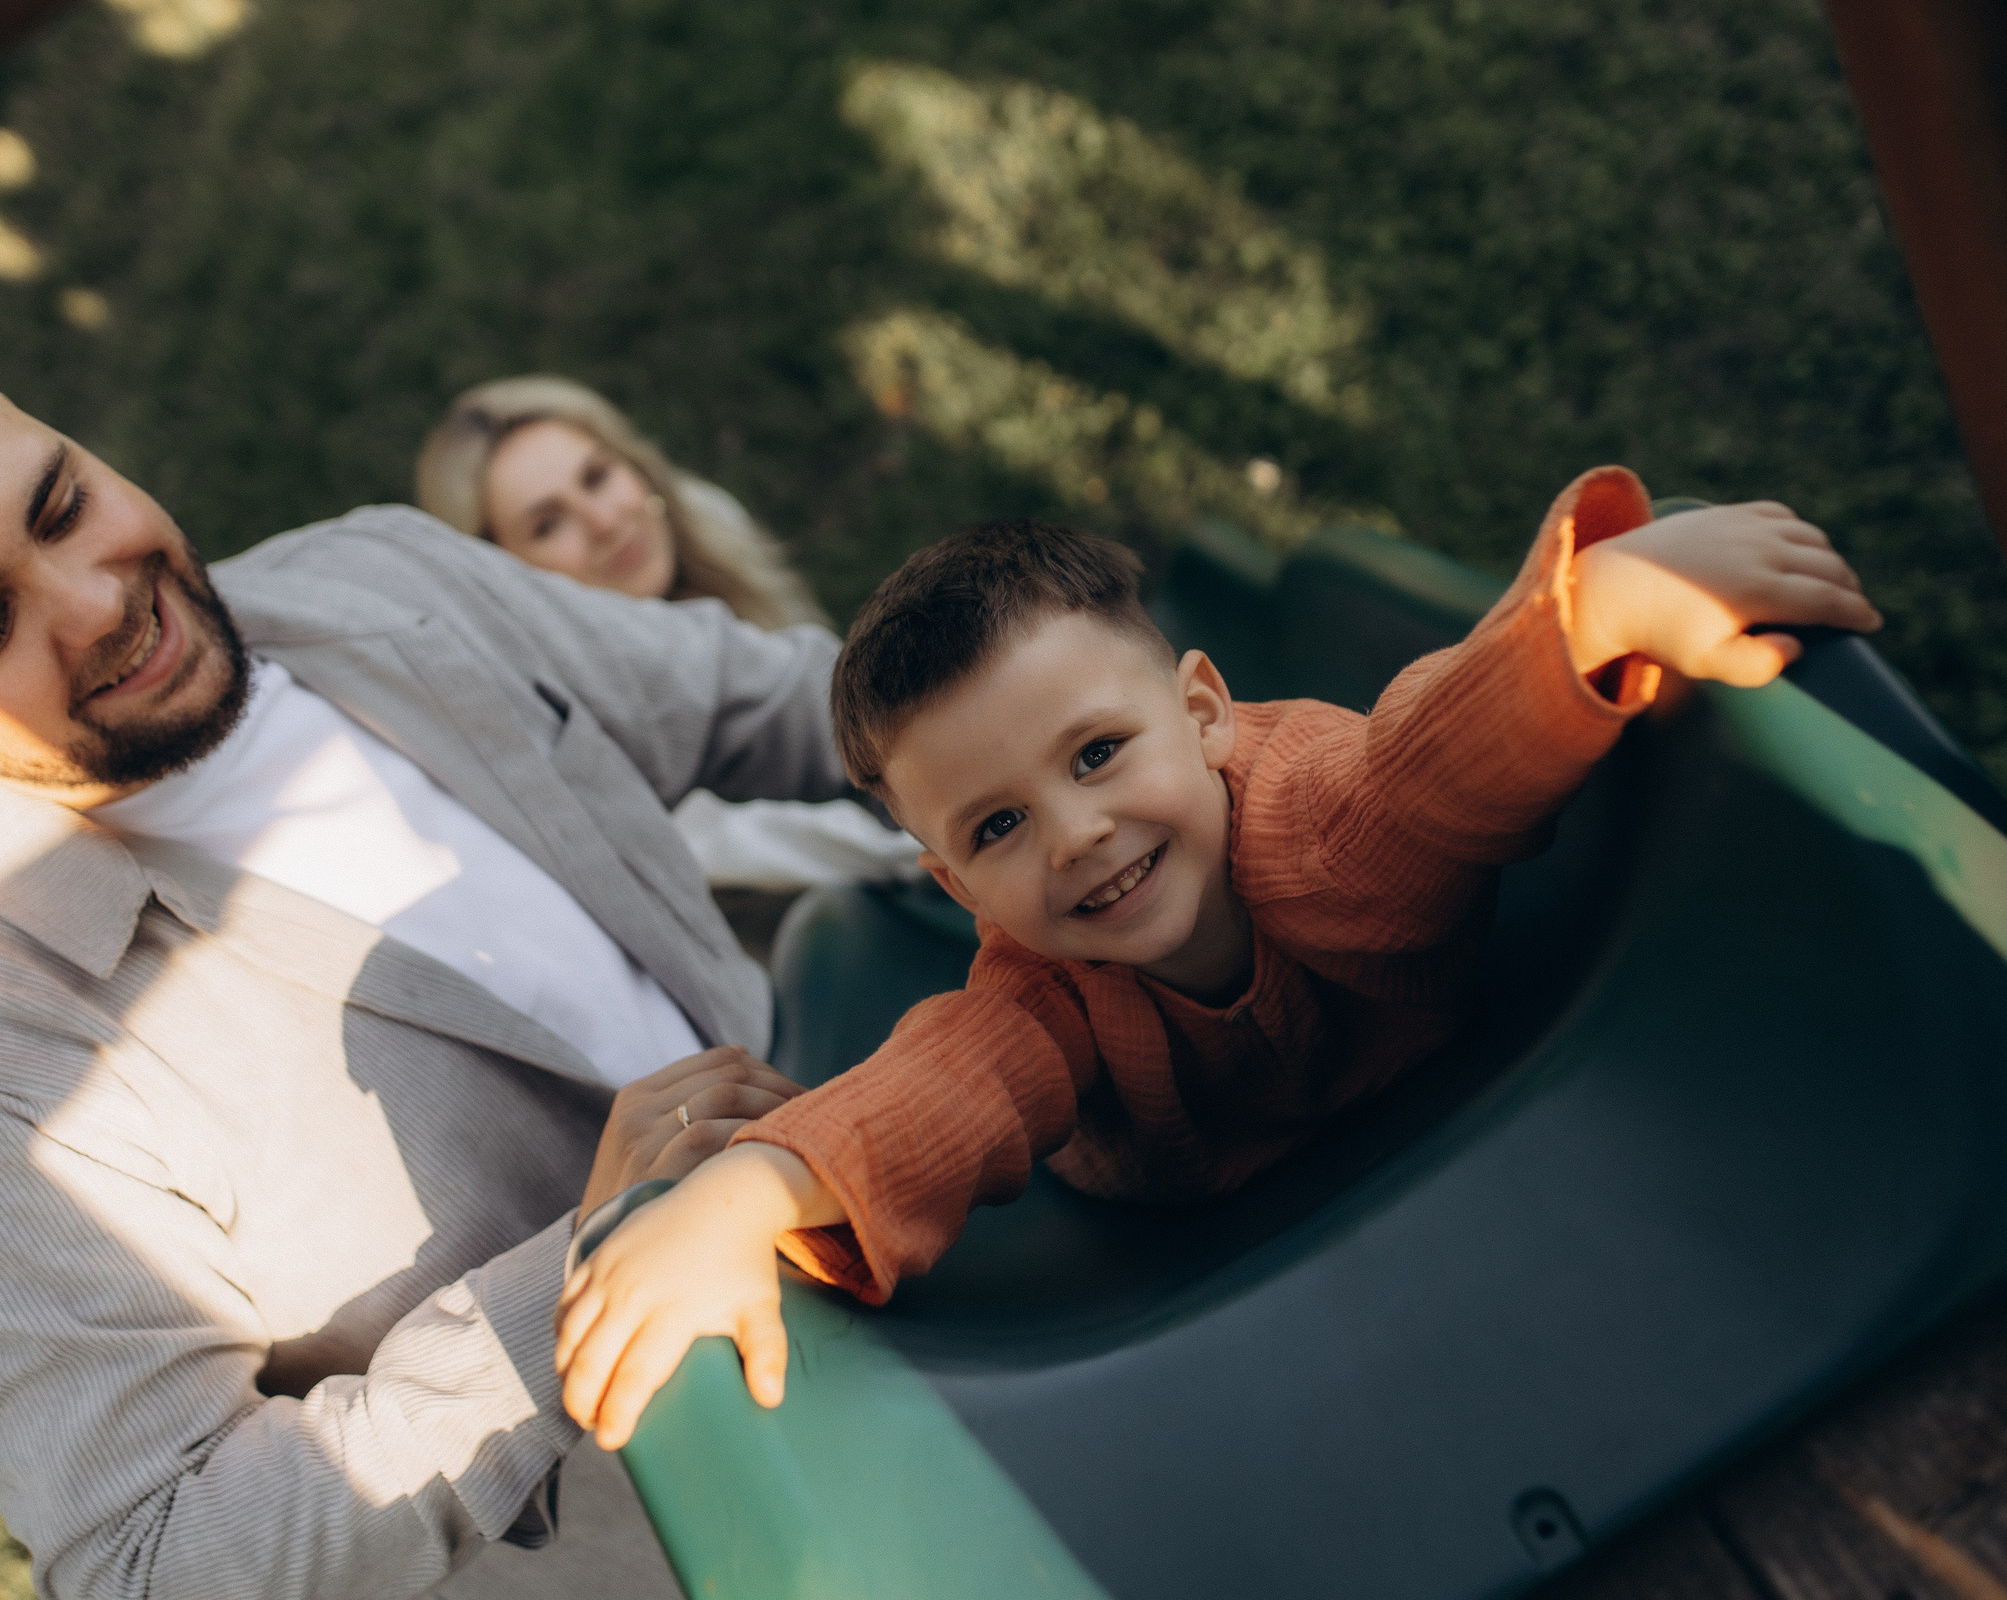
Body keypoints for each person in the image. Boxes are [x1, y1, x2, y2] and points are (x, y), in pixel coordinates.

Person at [0, 328, 856, 1600]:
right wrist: (583, 1282)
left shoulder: (382, 572)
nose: (98, 603)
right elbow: (158, 1558)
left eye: (62, 503)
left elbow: (772, 704)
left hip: (923, 1258)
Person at [553, 467, 1885, 1450]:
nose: (1078, 835)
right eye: (1001, 825)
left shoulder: (1320, 823)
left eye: (1098, 753)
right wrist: (749, 1196)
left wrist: (1597, 611)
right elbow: (943, 1086)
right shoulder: (1036, 986)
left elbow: (1430, 755)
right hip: (1168, 1195)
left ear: (1202, 711)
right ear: (953, 882)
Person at [416, 375, 922, 893]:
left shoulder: (710, 527)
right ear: (507, 578)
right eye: (548, 525)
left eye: (596, 476)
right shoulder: (603, 756)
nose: (605, 522)